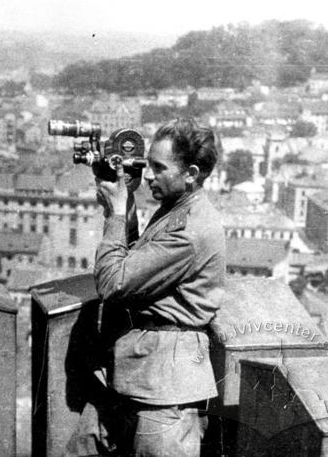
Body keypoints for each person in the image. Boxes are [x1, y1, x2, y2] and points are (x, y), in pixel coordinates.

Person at [92, 118, 226, 456]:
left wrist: (114, 215)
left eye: (158, 167)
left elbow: (114, 281)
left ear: (192, 173)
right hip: (143, 377)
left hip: (167, 395)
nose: (148, 174)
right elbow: (140, 262)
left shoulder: (190, 230)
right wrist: (127, 204)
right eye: (147, 164)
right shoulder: (175, 211)